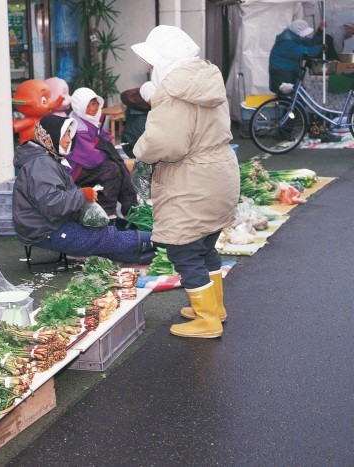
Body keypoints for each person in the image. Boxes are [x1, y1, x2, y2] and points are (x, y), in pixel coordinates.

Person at [131, 25, 240, 339]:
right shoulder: (206, 81)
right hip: (219, 172)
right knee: (205, 244)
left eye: (154, 60)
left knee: (183, 250)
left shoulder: (174, 91)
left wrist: (139, 152)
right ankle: (214, 307)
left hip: (192, 178)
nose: (151, 67)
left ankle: (207, 320)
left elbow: (167, 144)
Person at [12, 114, 156, 265]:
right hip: (47, 231)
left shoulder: (47, 158)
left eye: (69, 133)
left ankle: (155, 255)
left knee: (105, 243)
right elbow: (52, 204)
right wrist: (82, 195)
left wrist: (80, 196)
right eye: (64, 134)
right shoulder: (41, 164)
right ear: (49, 136)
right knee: (105, 237)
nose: (68, 139)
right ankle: (161, 242)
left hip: (50, 225)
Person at [67, 87, 138, 220]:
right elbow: (92, 159)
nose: (93, 108)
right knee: (112, 168)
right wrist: (107, 150)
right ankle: (107, 212)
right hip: (75, 172)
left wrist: (104, 148)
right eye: (88, 105)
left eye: (94, 103)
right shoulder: (76, 126)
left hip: (86, 166)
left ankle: (130, 209)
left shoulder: (90, 119)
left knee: (118, 165)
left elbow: (105, 137)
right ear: (79, 107)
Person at [268, 19, 327, 95]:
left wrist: (320, 31)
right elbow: (306, 52)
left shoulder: (294, 37)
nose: (305, 35)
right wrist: (319, 48)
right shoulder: (287, 42)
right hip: (282, 74)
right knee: (287, 99)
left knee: (291, 98)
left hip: (287, 72)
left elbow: (310, 43)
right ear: (298, 32)